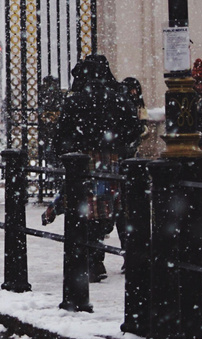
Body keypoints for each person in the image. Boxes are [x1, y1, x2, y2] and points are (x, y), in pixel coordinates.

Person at [44, 54, 144, 281]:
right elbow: (134, 129)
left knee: (85, 209)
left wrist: (67, 154)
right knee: (114, 209)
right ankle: (128, 256)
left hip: (82, 163)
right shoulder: (118, 99)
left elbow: (60, 139)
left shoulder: (74, 102)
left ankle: (92, 258)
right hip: (113, 161)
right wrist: (117, 146)